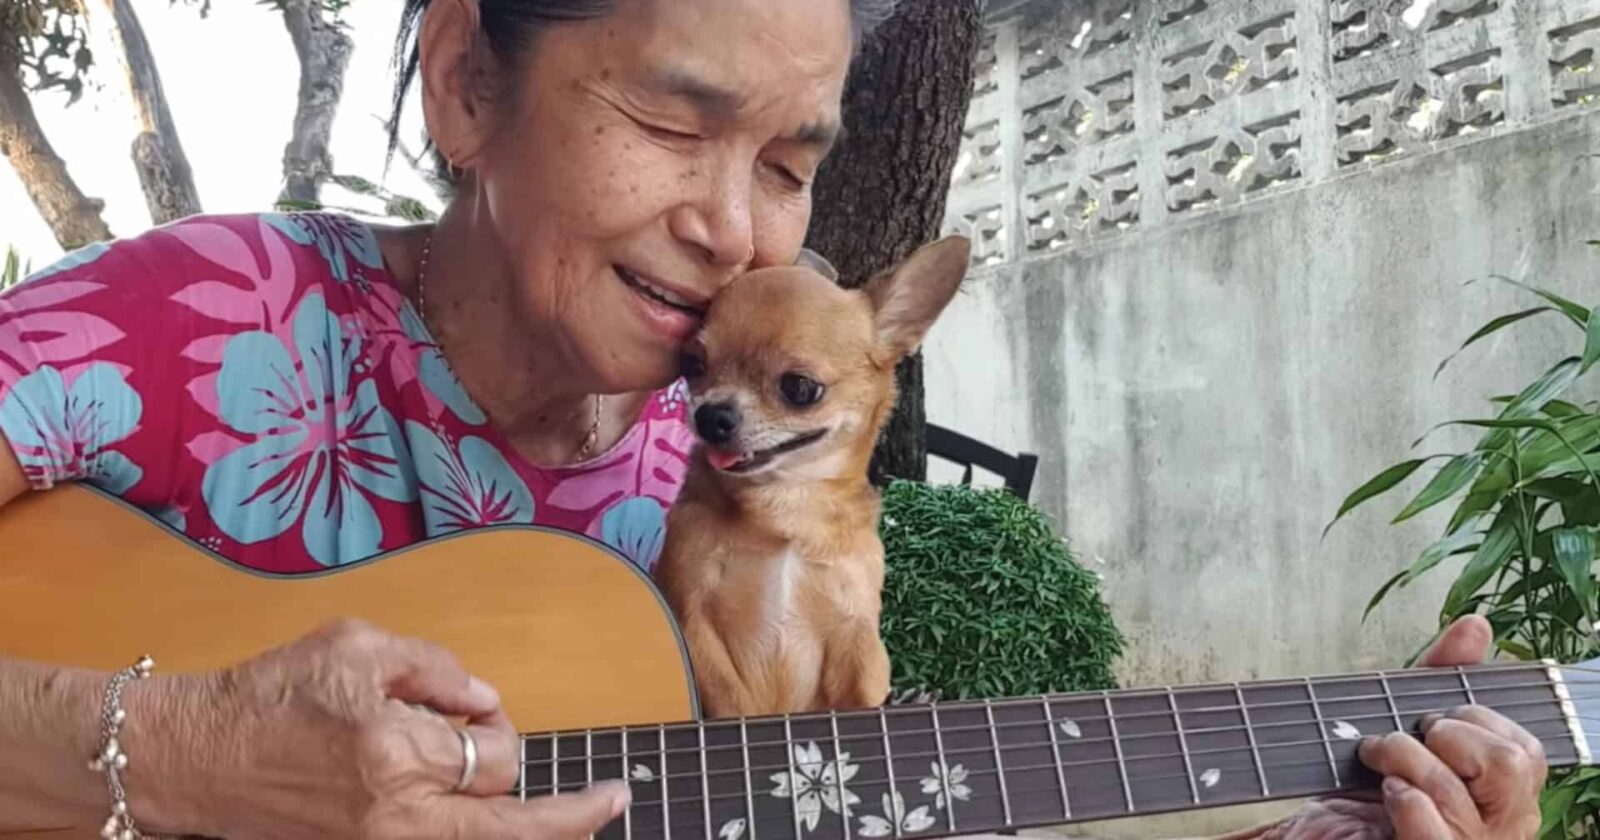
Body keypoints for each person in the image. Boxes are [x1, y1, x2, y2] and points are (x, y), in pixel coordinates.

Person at [0, 0, 1548, 837]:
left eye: (791, 162)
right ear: (468, 80)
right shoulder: (199, 329)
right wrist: (180, 752)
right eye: (674, 122)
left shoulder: (735, 485)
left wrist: (1330, 829)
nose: (738, 231)